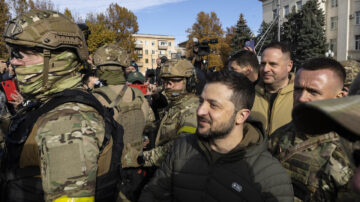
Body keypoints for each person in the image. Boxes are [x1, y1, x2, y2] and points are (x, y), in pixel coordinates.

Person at [1, 10, 123, 201]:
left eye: (20, 53)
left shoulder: (66, 121)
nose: (13, 62)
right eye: (12, 53)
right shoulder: (52, 104)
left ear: (57, 60)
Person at [139, 70, 294, 202]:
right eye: (201, 102)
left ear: (241, 116)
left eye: (213, 105)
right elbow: (153, 193)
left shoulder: (270, 177)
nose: (200, 111)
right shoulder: (182, 147)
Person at [269, 57, 353, 201]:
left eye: (313, 92)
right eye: (298, 89)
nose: (301, 98)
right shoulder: (281, 134)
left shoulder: (349, 153)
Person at [91, 43, 155, 168]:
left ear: (100, 69)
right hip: (137, 163)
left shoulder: (94, 98)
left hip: (110, 169)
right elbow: (150, 125)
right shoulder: (138, 94)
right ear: (123, 69)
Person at [140, 59, 199, 167]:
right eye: (165, 82)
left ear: (189, 82)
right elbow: (162, 125)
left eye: (172, 82)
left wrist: (143, 158)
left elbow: (182, 145)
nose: (167, 86)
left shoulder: (192, 109)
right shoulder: (176, 104)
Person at [251, 42, 294, 135]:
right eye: (262, 63)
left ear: (289, 66)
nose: (265, 69)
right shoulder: (249, 94)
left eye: (273, 64)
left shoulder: (302, 96)